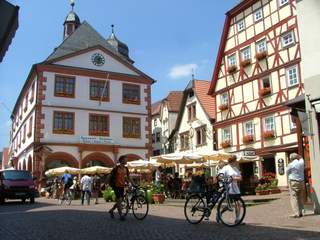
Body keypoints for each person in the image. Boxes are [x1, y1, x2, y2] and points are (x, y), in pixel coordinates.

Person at [108, 155, 135, 221]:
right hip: (116, 186)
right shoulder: (116, 168)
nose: (127, 160)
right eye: (125, 159)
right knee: (119, 200)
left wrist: (134, 184)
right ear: (122, 160)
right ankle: (121, 215)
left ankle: (111, 210)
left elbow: (129, 177)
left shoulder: (126, 169)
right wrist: (107, 183)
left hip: (122, 186)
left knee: (119, 201)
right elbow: (110, 175)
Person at [218, 155, 242, 223]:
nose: (236, 162)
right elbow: (220, 176)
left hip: (235, 188)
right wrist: (225, 178)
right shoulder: (226, 168)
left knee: (238, 203)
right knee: (229, 206)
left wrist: (234, 178)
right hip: (228, 188)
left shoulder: (235, 168)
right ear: (232, 161)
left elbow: (240, 178)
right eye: (235, 160)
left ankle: (237, 219)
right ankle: (220, 213)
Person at [286, 153, 305, 218]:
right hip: (301, 182)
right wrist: (297, 156)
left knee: (294, 197)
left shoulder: (290, 165)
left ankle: (296, 213)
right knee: (300, 197)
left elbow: (287, 171)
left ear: (291, 158)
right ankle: (302, 212)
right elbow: (301, 157)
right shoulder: (301, 162)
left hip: (293, 182)